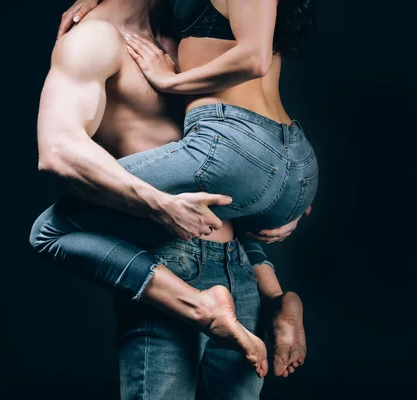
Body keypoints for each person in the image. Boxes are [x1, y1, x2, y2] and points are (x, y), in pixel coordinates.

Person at [30, 0, 312, 396]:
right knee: (50, 231)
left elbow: (240, 150)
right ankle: (217, 304)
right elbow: (59, 148)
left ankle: (275, 297)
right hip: (168, 270)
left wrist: (276, 205)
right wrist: (158, 204)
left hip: (240, 267)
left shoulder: (192, 35)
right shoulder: (96, 39)